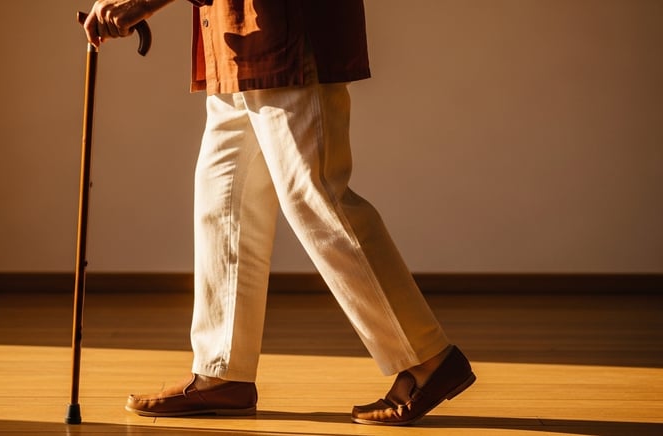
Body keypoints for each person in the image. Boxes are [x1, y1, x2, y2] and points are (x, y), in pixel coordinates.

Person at [82, 0, 475, 426]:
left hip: (286, 23)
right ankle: (222, 372)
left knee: (315, 195)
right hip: (235, 30)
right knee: (223, 200)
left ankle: (429, 359)